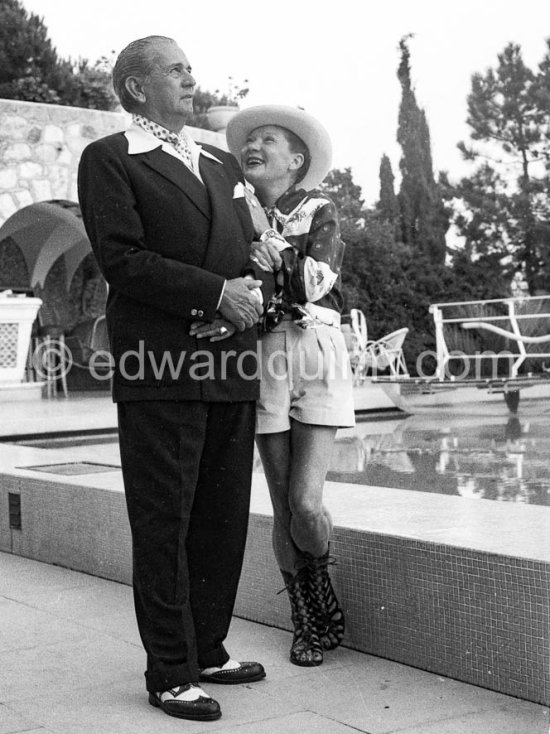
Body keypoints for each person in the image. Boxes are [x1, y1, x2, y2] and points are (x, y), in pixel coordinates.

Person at [77, 36, 269, 722]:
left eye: (191, 68)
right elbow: (123, 259)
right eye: (178, 69)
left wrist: (239, 304)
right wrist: (216, 295)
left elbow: (252, 251)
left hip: (230, 359)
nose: (193, 79)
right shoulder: (109, 160)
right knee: (165, 520)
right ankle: (168, 671)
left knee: (220, 517)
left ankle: (207, 648)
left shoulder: (219, 161)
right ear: (136, 87)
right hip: (159, 366)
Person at [225, 106, 356, 667]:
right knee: (282, 506)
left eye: (268, 139)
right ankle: (305, 618)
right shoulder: (234, 212)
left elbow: (314, 281)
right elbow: (233, 287)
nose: (254, 145)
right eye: (249, 139)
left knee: (306, 502)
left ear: (295, 159)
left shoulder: (320, 208)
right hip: (263, 354)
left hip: (316, 350)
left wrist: (274, 251)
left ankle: (320, 583)